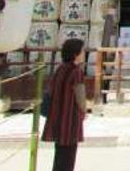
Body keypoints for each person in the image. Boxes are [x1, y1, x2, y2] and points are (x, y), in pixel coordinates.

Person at [42, 38, 87, 171]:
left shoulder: (60, 69)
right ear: (75, 54)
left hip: (57, 115)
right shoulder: (76, 72)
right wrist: (84, 110)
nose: (83, 53)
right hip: (70, 119)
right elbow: (80, 98)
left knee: (60, 155)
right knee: (68, 157)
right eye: (82, 51)